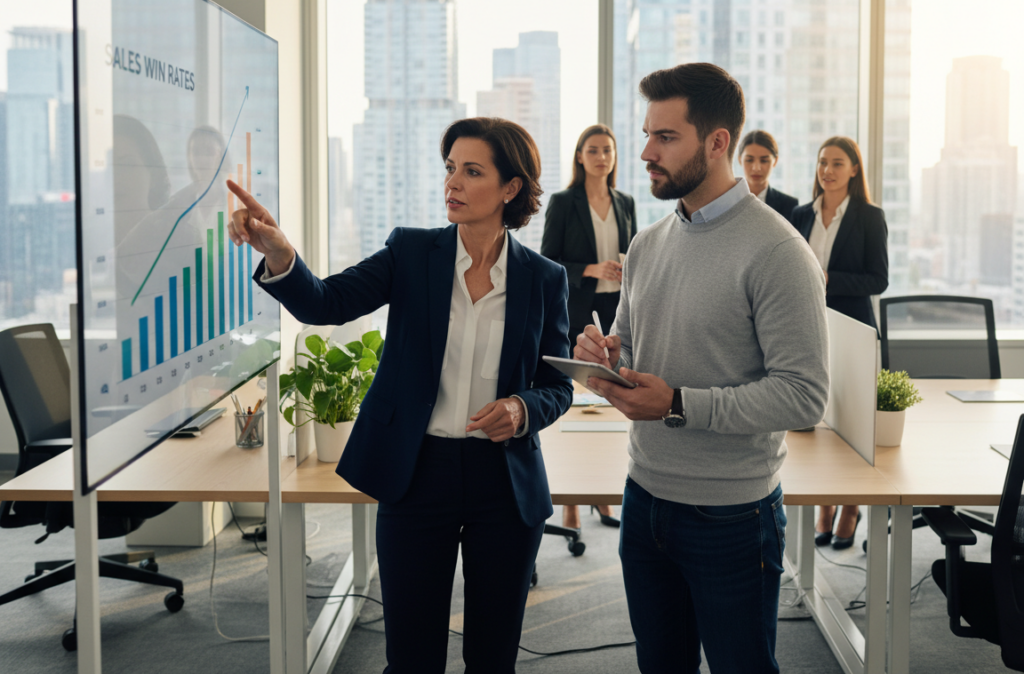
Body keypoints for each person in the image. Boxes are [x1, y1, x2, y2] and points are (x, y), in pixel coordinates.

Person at [226, 117, 573, 674]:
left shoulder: (544, 278)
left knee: (494, 655)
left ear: (510, 189)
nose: (452, 184)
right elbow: (324, 303)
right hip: (419, 473)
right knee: (411, 654)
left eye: (472, 171)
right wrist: (280, 252)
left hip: (503, 482)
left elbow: (558, 385)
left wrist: (522, 409)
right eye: (450, 169)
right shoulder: (412, 253)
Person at [574, 62, 829, 674]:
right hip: (644, 498)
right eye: (646, 135)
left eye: (665, 138)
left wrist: (680, 403)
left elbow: (804, 396)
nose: (643, 153)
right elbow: (635, 350)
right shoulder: (648, 244)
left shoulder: (779, 251)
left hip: (732, 515)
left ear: (718, 143)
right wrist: (608, 359)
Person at [791, 136, 888, 550]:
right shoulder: (800, 214)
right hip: (809, 328)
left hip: (852, 330)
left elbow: (878, 279)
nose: (827, 170)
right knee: (815, 421)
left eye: (836, 163)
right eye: (822, 163)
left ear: (853, 169)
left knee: (850, 423)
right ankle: (824, 505)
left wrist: (829, 279)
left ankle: (850, 507)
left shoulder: (869, 216)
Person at [541, 123, 637, 533]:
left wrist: (625, 267)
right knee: (577, 402)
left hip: (617, 308)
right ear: (580, 156)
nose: (601, 157)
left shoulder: (626, 201)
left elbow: (635, 253)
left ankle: (600, 492)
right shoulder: (564, 202)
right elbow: (548, 261)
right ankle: (571, 501)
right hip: (579, 310)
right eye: (593, 150)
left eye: (608, 150)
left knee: (609, 403)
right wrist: (591, 270)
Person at [739, 129, 799, 220]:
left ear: (775, 161)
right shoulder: (728, 201)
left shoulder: (789, 205)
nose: (756, 168)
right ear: (740, 160)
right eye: (749, 160)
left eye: (764, 161)